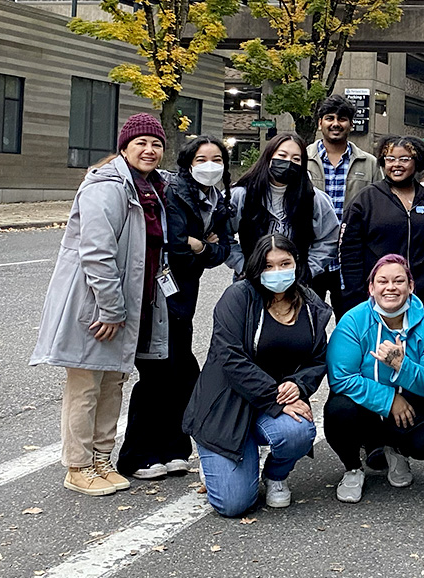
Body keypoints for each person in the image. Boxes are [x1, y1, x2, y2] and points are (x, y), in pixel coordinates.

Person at [31, 113, 170, 497]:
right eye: (140, 142)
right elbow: (96, 252)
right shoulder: (107, 187)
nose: (149, 149)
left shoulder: (148, 188)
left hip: (128, 304)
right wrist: (110, 308)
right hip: (95, 306)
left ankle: (101, 460)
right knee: (86, 386)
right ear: (123, 147)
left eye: (156, 143)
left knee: (112, 383)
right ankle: (77, 466)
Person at [182, 234, 330, 516]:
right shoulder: (238, 296)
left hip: (273, 405)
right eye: (268, 266)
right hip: (227, 405)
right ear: (256, 268)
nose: (277, 272)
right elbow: (230, 357)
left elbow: (318, 358)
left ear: (296, 263)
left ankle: (275, 475)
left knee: (298, 431)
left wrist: (298, 385)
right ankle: (216, 455)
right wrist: (277, 396)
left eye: (285, 263)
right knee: (233, 505)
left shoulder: (310, 303)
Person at [117, 134, 235, 481]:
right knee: (158, 374)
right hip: (157, 294)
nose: (209, 166)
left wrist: (203, 248)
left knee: (180, 373)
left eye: (216, 159)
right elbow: (177, 245)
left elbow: (223, 249)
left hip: (184, 295)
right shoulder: (173, 193)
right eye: (201, 160)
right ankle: (137, 455)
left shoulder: (217, 199)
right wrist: (199, 246)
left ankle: (173, 449)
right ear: (188, 163)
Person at [324, 255, 424, 503]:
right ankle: (352, 468)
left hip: (410, 406)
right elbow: (341, 378)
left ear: (411, 287)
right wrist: (390, 399)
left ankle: (396, 450)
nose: (390, 287)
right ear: (371, 288)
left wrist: (402, 366)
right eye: (382, 281)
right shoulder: (353, 321)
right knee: (338, 410)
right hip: (366, 408)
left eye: (399, 281)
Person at [338, 136, 424, 312]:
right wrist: (356, 297)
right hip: (376, 298)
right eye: (390, 159)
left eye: (404, 159)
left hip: (421, 299)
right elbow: (349, 253)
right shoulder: (366, 200)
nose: (396, 164)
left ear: (417, 161)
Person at [228, 132, 340, 286]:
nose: (288, 162)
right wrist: (243, 266)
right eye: (282, 155)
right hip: (249, 281)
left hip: (295, 283)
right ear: (268, 156)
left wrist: (308, 270)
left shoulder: (314, 199)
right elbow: (222, 233)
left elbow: (329, 238)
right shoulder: (242, 195)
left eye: (296, 159)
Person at [305, 94, 382, 221]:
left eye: (341, 119)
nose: (335, 124)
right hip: (312, 238)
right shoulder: (303, 159)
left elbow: (379, 205)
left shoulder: (370, 163)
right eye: (330, 118)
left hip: (354, 238)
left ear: (351, 124)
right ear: (320, 123)